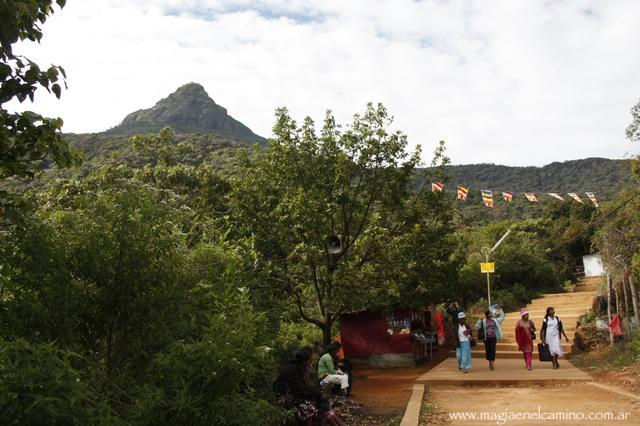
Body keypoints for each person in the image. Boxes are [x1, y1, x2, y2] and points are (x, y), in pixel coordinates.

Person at [274, 347, 346, 426]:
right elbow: (298, 390)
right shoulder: (293, 369)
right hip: (285, 396)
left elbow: (305, 386)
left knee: (323, 402)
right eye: (311, 358)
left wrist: (318, 392)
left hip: (295, 393)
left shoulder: (302, 367)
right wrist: (317, 393)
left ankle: (339, 424)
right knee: (310, 405)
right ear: (306, 360)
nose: (313, 359)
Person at [474, 306, 505, 370]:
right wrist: (480, 321)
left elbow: (502, 318)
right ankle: (490, 362)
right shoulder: (484, 321)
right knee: (488, 351)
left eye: (491, 313)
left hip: (493, 338)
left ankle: (492, 364)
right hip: (486, 339)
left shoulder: (494, 320)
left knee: (493, 350)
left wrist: (500, 310)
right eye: (489, 314)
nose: (491, 315)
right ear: (486, 315)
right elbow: (476, 327)